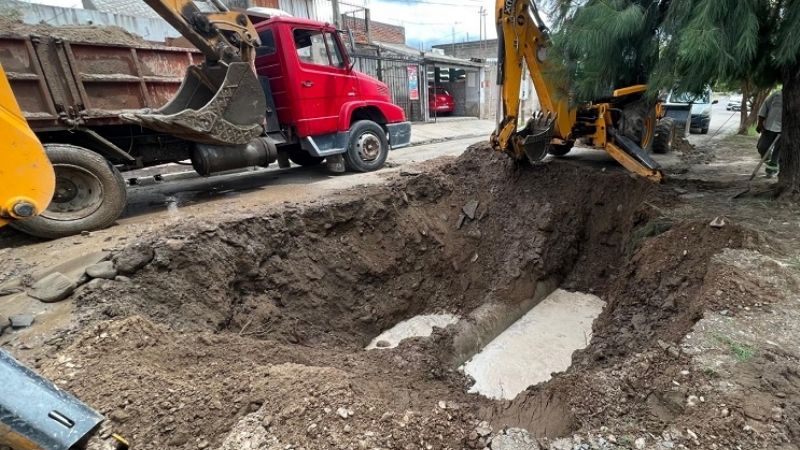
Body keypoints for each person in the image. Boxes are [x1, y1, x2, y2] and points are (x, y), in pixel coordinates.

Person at [756, 89, 782, 178]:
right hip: (769, 127)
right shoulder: (776, 94)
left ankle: (771, 171)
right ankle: (769, 161)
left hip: (785, 130)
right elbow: (764, 108)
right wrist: (760, 124)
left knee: (778, 152)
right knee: (761, 147)